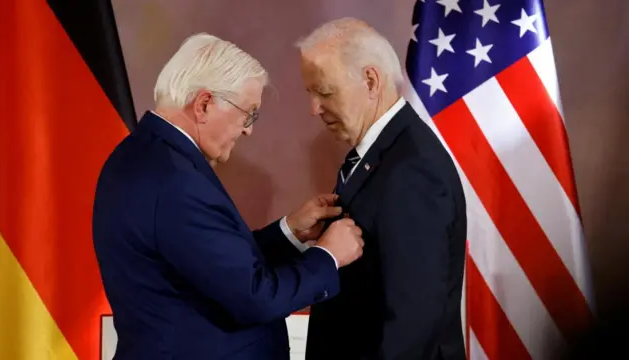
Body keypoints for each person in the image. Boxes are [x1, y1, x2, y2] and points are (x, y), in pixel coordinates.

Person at [92, 32, 364, 360]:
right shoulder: (176, 180)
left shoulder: (143, 155)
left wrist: (288, 231)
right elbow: (255, 298)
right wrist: (328, 255)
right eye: (248, 113)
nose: (248, 129)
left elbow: (208, 263)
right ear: (205, 103)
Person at [295, 18, 468, 359]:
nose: (314, 109)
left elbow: (412, 323)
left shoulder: (412, 170)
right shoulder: (383, 152)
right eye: (310, 93)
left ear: (370, 80)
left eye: (325, 92)